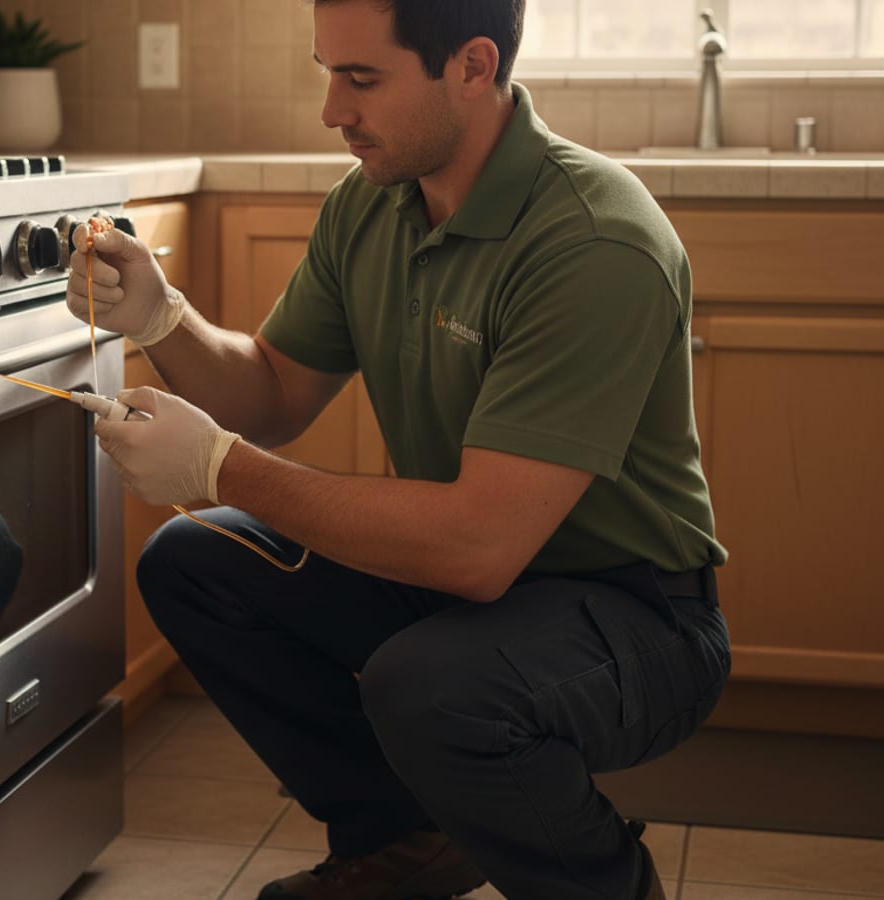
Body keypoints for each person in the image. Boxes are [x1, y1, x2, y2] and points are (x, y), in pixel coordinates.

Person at [66, 1, 731, 897]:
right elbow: (271, 392)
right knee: (197, 560)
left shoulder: (592, 240)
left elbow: (477, 548)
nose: (332, 110)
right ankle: (406, 840)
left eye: (362, 78)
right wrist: (162, 318)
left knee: (433, 687)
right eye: (326, 72)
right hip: (471, 583)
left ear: (472, 64)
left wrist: (220, 466)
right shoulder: (374, 202)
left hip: (637, 614)